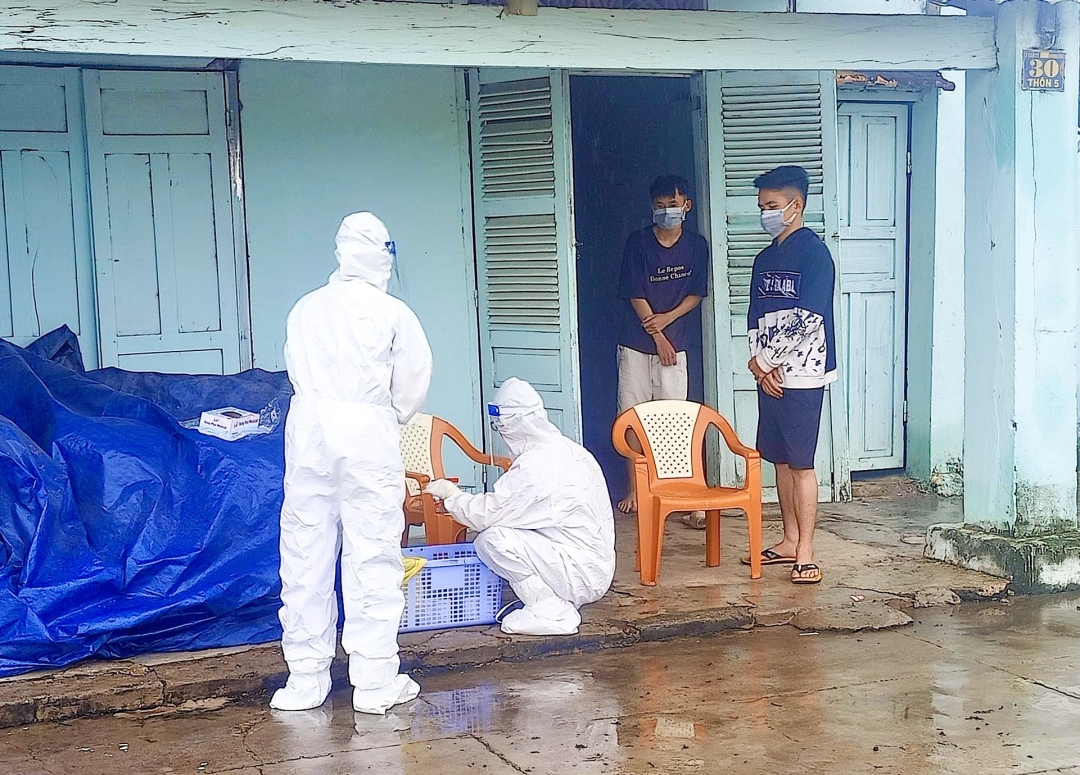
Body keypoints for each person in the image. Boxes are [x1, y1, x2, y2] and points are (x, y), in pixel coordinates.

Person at [272, 212, 433, 713]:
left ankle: (305, 678)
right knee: (373, 554)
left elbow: (294, 367)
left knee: (305, 551)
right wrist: (385, 412)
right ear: (383, 256)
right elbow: (412, 382)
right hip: (366, 432)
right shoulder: (392, 312)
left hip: (310, 430)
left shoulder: (305, 308)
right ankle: (374, 680)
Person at [425, 378, 615, 637]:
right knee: (509, 531)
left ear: (513, 425)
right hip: (593, 567)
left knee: (492, 540)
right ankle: (554, 599)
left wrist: (452, 497)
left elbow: (487, 515)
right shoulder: (571, 450)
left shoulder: (536, 465)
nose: (500, 435)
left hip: (579, 572)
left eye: (500, 427)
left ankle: (551, 611)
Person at [745, 166, 836, 585]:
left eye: (772, 205)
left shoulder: (815, 254)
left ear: (795, 205)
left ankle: (806, 552)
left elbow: (809, 317)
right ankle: (788, 539)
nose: (765, 213)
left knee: (801, 463)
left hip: (803, 376)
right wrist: (759, 362)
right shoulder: (764, 260)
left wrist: (768, 360)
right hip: (770, 375)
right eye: (762, 206)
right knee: (779, 459)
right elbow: (754, 316)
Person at [615, 174, 710, 525]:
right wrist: (657, 336)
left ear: (687, 205)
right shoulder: (638, 242)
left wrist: (667, 321)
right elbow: (634, 292)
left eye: (673, 204)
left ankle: (676, 491)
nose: (667, 210)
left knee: (674, 421)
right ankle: (635, 488)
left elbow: (696, 294)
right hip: (637, 343)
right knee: (632, 416)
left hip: (676, 342)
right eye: (660, 205)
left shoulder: (697, 245)